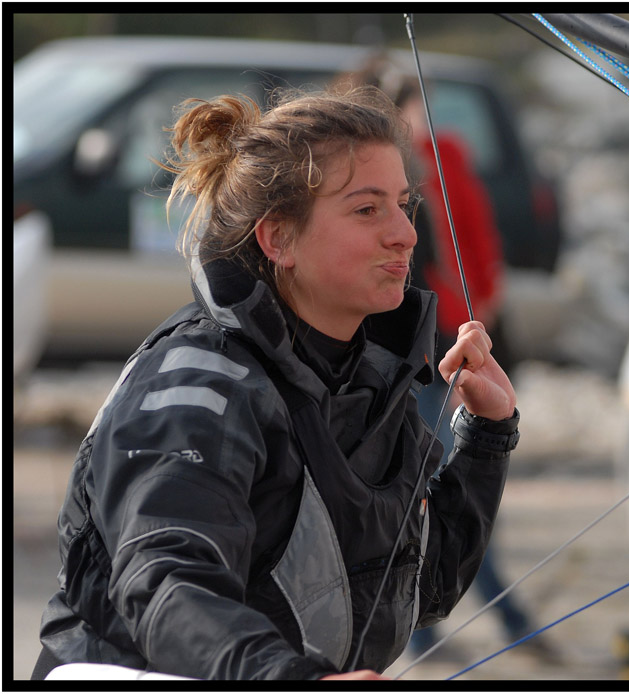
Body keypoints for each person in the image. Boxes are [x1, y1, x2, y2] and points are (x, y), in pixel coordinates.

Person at [32, 85, 520, 681]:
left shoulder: (369, 377)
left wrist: (486, 437)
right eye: (368, 209)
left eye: (405, 204)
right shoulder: (195, 388)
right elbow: (166, 583)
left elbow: (418, 592)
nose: (405, 234)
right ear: (278, 238)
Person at [343, 65, 544, 662]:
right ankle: (473, 619)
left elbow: (479, 242)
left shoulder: (440, 160)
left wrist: (481, 313)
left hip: (449, 342)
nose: (410, 125)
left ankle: (484, 615)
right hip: (408, 350)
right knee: (424, 480)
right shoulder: (361, 174)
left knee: (447, 474)